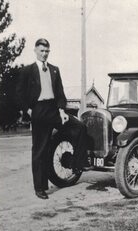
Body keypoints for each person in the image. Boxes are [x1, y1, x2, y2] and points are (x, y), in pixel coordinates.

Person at [16, 38, 88, 200]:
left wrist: (62, 111)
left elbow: (60, 93)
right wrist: (28, 110)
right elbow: (19, 93)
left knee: (79, 127)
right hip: (38, 111)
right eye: (41, 51)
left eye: (47, 51)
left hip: (54, 110)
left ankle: (77, 165)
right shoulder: (28, 71)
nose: (44, 54)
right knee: (40, 149)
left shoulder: (54, 70)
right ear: (35, 50)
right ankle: (40, 187)